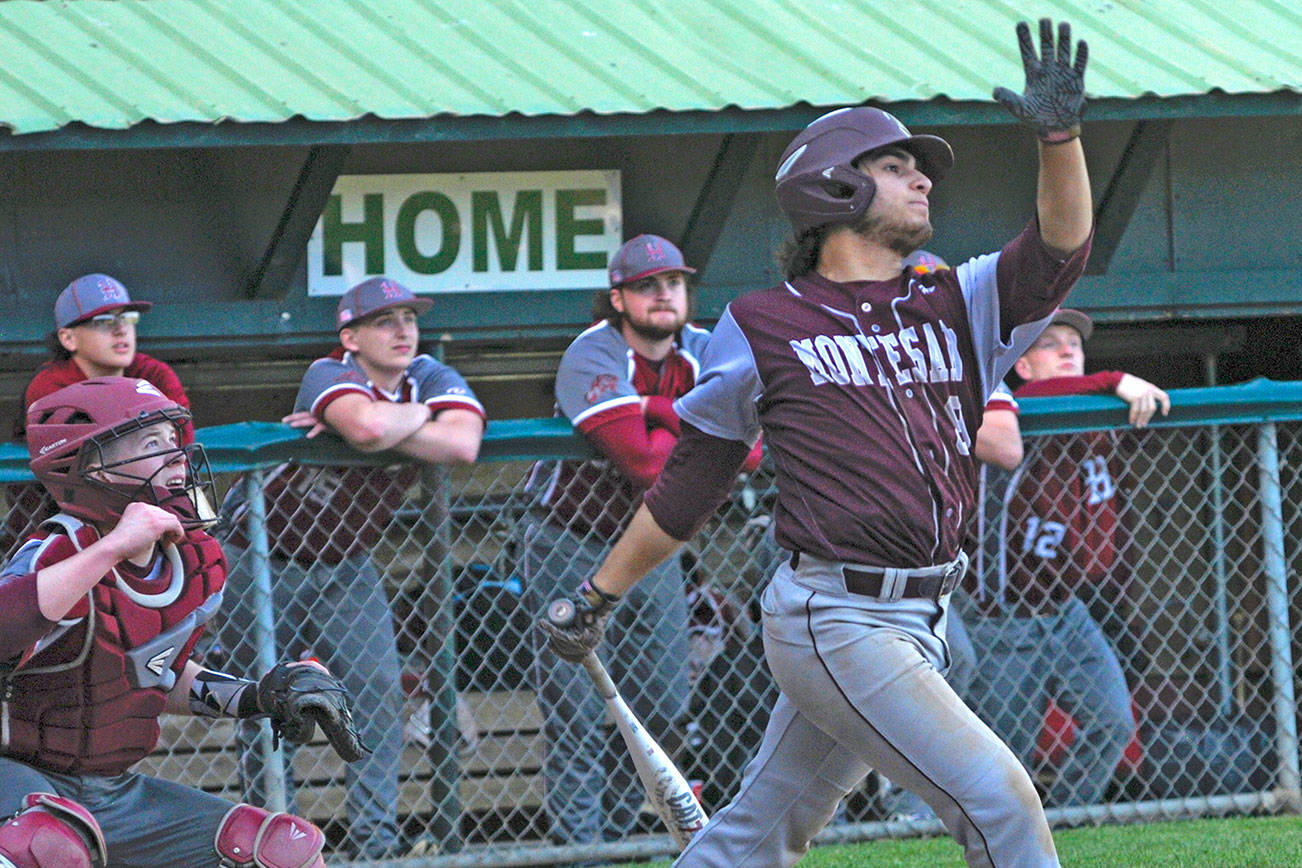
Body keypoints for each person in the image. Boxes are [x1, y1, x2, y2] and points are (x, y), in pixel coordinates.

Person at [539, 18, 1093, 867]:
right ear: (834, 189)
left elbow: (1060, 251)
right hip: (835, 618)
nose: (921, 181)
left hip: (924, 613)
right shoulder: (761, 325)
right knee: (1002, 801)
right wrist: (599, 595)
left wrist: (1060, 141)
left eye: (919, 169)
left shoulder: (954, 298)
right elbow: (689, 485)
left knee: (759, 835)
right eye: (895, 165)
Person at [0, 376, 367, 868]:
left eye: (175, 441)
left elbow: (151, 672)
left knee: (282, 851)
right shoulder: (56, 554)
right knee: (47, 848)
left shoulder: (193, 564)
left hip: (110, 791)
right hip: (16, 780)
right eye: (153, 443)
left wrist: (259, 696)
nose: (178, 458)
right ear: (95, 466)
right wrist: (112, 547)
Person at [218, 277, 485, 858]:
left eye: (409, 318)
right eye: (386, 321)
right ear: (350, 336)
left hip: (347, 563)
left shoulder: (429, 375)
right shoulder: (328, 371)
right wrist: (411, 422)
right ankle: (273, 844)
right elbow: (365, 428)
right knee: (267, 704)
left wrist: (392, 420)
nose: (403, 330)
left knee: (378, 693)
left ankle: (375, 845)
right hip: (262, 555)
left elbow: (463, 445)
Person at [522, 234, 760, 849]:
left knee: (660, 698)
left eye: (674, 282)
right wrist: (692, 426)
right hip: (567, 538)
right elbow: (646, 464)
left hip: (652, 545)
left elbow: (753, 449)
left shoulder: (707, 348)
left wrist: (656, 407)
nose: (664, 294)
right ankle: (584, 851)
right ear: (618, 299)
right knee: (576, 710)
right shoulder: (591, 352)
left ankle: (628, 841)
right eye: (647, 285)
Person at [965, 307, 1168, 808]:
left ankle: (1065, 826)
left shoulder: (1097, 410)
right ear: (1024, 365)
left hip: (1064, 610)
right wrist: (1114, 378)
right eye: (1050, 344)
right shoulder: (1012, 400)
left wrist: (1106, 388)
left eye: (1073, 345)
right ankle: (1002, 842)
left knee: (1114, 722)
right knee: (1005, 756)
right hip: (1000, 615)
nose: (1066, 351)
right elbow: (1042, 398)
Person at [3, 274, 193, 559]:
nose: (121, 330)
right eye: (104, 321)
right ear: (67, 337)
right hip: (58, 526)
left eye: (127, 317)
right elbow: (81, 475)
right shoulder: (49, 387)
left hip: (151, 509)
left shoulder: (154, 375)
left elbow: (180, 446)